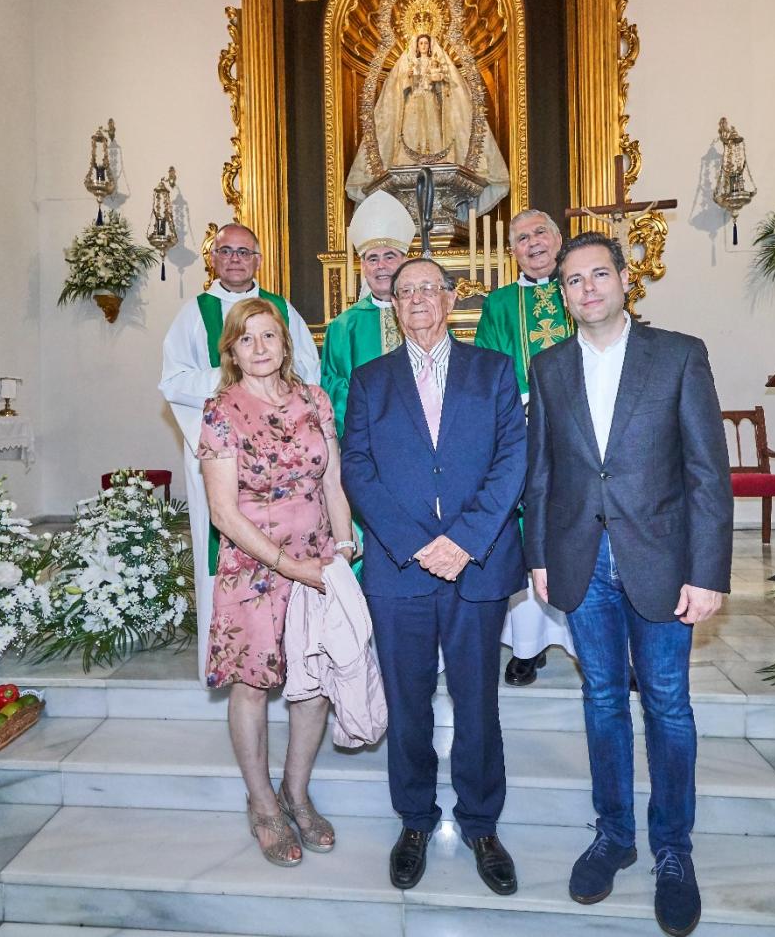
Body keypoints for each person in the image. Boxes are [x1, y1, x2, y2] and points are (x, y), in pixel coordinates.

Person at [524, 231, 732, 937]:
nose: (587, 289)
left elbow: (709, 471)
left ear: (624, 279)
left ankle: (674, 849)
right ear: (563, 294)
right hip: (582, 560)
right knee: (603, 698)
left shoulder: (677, 354)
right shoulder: (549, 365)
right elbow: (542, 471)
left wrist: (708, 571)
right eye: (573, 280)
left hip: (663, 562)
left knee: (668, 703)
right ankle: (613, 834)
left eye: (598, 275)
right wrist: (539, 555)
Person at [342, 258, 526, 897]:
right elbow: (357, 469)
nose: (418, 298)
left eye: (429, 288)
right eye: (405, 291)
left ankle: (481, 824)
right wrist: (422, 545)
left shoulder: (494, 371)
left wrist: (464, 542)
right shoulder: (370, 381)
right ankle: (415, 820)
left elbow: (512, 461)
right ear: (392, 306)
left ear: (451, 299)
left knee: (479, 703)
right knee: (408, 703)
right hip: (399, 570)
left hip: (478, 565)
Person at [198, 298, 357, 867]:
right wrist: (287, 566)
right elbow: (223, 512)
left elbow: (332, 481)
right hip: (255, 566)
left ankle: (296, 790)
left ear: (286, 344)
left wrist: (342, 545)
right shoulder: (221, 412)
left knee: (311, 679)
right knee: (251, 684)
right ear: (232, 351)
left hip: (316, 559)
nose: (261, 348)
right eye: (248, 339)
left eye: (270, 337)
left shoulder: (314, 401)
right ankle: (262, 803)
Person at [160, 224, 321, 680]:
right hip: (221, 458)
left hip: (284, 467)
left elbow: (309, 376)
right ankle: (235, 665)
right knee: (225, 548)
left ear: (258, 258)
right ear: (213, 258)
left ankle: (296, 662)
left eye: (244, 252)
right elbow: (171, 381)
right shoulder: (193, 313)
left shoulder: (281, 309)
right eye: (226, 251)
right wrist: (236, 378)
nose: (234, 259)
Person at [475, 208, 576, 685]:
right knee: (528, 531)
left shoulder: (581, 286)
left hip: (583, 436)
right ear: (512, 251)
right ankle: (527, 646)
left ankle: (592, 645)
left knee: (580, 529)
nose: (532, 243)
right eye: (521, 238)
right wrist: (528, 402)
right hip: (524, 431)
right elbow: (489, 366)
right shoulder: (498, 304)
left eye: (540, 233)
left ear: (558, 239)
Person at [345, 30, 509, 214]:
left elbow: (445, 91)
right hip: (414, 103)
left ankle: (435, 157)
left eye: (426, 43)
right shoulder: (409, 64)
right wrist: (410, 78)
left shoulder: (435, 62)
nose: (423, 46)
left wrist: (437, 79)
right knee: (412, 128)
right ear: (416, 46)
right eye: (420, 43)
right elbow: (401, 89)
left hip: (430, 102)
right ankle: (409, 159)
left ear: (430, 46)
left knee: (432, 128)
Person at [320, 191, 414, 436]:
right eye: (372, 258)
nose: (380, 266)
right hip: (365, 440)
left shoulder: (423, 313)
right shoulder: (343, 327)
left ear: (405, 261)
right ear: (363, 267)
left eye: (389, 256)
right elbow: (334, 390)